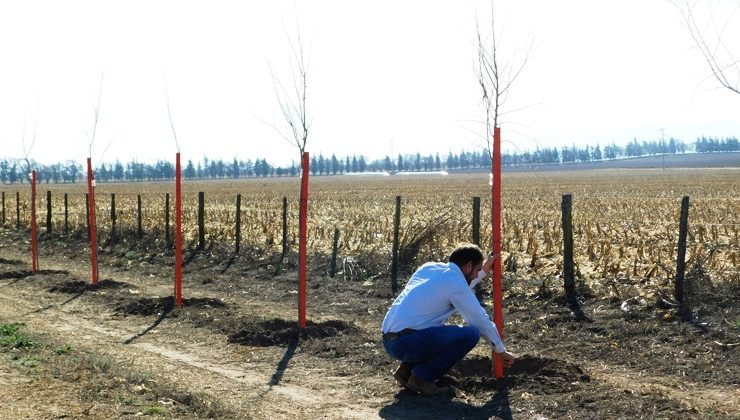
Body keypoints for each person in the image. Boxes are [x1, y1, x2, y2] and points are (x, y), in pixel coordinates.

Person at [381, 243, 516, 396]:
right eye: (476, 270)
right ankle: (421, 378)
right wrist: (500, 350)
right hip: (407, 343)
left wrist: (484, 270)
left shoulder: (430, 268)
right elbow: (479, 319)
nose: (476, 275)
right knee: (470, 334)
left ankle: (406, 371)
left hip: (390, 341)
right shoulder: (455, 283)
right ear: (468, 266)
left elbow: (459, 284)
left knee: (435, 330)